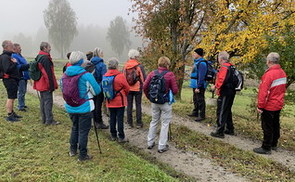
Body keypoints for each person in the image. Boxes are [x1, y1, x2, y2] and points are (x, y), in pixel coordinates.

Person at [61, 51, 101, 161]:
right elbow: (97, 91)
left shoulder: (65, 74)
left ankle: (72, 150)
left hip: (70, 106)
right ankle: (83, 155)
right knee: (83, 131)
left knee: (75, 127)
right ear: (81, 61)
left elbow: (62, 89)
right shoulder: (86, 75)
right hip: (84, 107)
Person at [253, 52, 287, 155]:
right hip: (278, 103)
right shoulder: (282, 73)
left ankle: (266, 147)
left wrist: (260, 106)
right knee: (276, 124)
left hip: (269, 105)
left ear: (269, 61)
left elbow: (263, 92)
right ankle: (273, 143)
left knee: (267, 126)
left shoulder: (269, 74)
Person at [143, 56, 179, 153]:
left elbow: (145, 86)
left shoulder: (152, 73)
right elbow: (175, 90)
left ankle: (150, 142)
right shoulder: (170, 74)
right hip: (165, 102)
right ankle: (161, 146)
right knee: (165, 123)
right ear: (167, 64)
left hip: (154, 102)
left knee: (154, 121)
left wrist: (149, 97)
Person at [210, 51, 236, 138]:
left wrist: (215, 87)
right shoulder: (232, 66)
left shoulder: (224, 67)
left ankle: (220, 131)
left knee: (221, 110)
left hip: (225, 91)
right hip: (232, 91)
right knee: (227, 110)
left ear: (220, 59)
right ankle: (230, 128)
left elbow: (221, 79)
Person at [104, 57, 130, 142]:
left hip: (110, 101)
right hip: (120, 102)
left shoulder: (105, 76)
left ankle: (113, 135)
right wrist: (124, 94)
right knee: (120, 119)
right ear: (116, 66)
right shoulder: (120, 76)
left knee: (112, 118)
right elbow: (127, 88)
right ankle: (121, 136)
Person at [33, 42, 59, 125]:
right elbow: (48, 73)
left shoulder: (38, 57)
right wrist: (51, 86)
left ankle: (44, 119)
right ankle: (49, 120)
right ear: (44, 48)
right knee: (48, 102)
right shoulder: (45, 58)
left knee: (43, 101)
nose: (50, 49)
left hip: (40, 83)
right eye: (49, 47)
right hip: (45, 84)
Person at [0, 40, 26, 122]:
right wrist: (14, 63)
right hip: (9, 80)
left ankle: (12, 112)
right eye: (11, 46)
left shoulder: (8, 56)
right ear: (6, 47)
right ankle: (9, 115)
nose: (13, 47)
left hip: (12, 79)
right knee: (10, 97)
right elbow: (7, 69)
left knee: (13, 97)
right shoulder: (4, 57)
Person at [123, 49, 146, 128]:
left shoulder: (125, 66)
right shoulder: (139, 66)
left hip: (128, 89)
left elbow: (123, 77)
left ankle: (129, 122)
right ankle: (139, 123)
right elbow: (143, 78)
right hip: (137, 88)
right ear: (136, 56)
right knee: (138, 105)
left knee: (129, 105)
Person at [90, 48, 108, 129]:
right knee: (98, 104)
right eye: (102, 52)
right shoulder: (102, 65)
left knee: (93, 103)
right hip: (99, 86)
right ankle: (99, 122)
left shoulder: (90, 63)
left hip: (91, 86)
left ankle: (94, 121)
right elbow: (104, 78)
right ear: (99, 54)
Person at [188, 48, 207, 122]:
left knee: (200, 99)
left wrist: (198, 87)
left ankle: (202, 115)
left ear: (199, 54)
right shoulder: (196, 62)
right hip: (194, 84)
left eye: (195, 53)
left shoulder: (202, 63)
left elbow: (201, 76)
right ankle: (195, 112)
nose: (193, 54)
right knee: (195, 99)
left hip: (199, 85)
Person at [12, 43, 30, 112]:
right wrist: (27, 66)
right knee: (21, 91)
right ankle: (20, 106)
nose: (20, 49)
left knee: (24, 91)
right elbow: (18, 66)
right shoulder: (14, 56)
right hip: (20, 76)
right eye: (19, 48)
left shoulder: (19, 55)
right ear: (15, 49)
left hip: (24, 76)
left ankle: (22, 104)